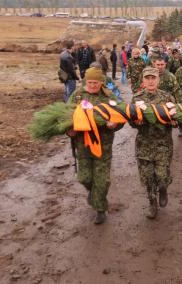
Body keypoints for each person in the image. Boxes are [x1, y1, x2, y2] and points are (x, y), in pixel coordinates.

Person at [67, 67, 122, 224]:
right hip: (82, 145)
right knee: (84, 178)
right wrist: (68, 131)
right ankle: (92, 192)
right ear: (85, 81)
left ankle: (100, 209)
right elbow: (65, 116)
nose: (92, 86)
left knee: (103, 180)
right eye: (90, 82)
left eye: (96, 83)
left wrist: (115, 124)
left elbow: (122, 114)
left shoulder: (109, 96)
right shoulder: (77, 95)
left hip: (103, 146)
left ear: (101, 82)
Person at [132, 67, 176, 219]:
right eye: (147, 78)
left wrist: (173, 121)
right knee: (148, 177)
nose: (150, 81)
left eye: (153, 78)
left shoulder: (167, 98)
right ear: (143, 80)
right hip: (144, 144)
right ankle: (152, 202)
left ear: (159, 80)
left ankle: (163, 188)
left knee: (162, 175)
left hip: (163, 144)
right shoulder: (136, 98)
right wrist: (135, 122)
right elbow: (131, 122)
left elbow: (177, 120)